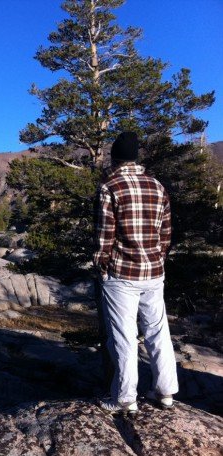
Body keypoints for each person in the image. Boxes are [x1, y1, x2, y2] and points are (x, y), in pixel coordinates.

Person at [93, 131, 178, 415]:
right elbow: (166, 234)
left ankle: (124, 397)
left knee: (123, 337)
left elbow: (105, 235)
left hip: (122, 273)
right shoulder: (157, 186)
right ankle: (165, 392)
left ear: (115, 158)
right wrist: (158, 258)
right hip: (154, 271)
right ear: (136, 158)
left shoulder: (110, 186)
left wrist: (102, 266)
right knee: (158, 331)